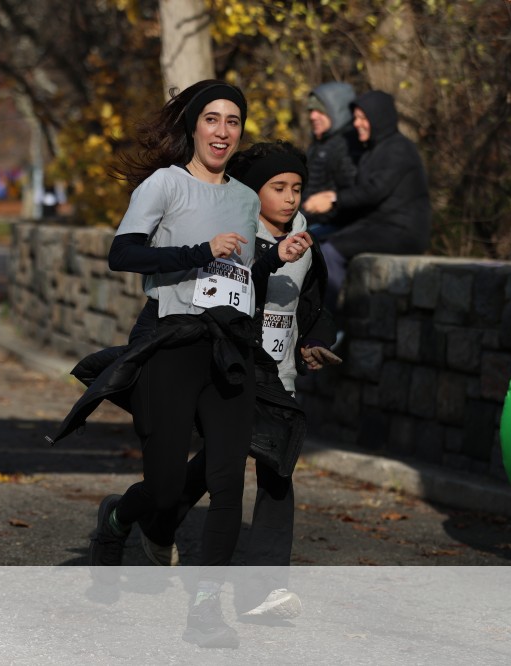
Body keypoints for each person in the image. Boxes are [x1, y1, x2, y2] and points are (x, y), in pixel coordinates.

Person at [47, 80, 312, 649]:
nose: (223, 131)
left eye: (233, 121)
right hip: (172, 343)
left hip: (229, 349)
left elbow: (236, 277)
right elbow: (123, 253)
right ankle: (117, 520)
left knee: (226, 482)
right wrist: (198, 251)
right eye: (212, 119)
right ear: (194, 126)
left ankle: (204, 610)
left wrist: (272, 261)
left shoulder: (245, 199)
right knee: (166, 492)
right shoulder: (165, 184)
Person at [138, 141, 341, 618]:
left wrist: (313, 340)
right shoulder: (233, 235)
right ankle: (149, 518)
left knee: (277, 471)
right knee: (217, 466)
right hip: (231, 369)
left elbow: (314, 303)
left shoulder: (306, 241)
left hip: (279, 375)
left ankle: (263, 590)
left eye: (296, 188)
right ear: (252, 192)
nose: (290, 198)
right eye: (278, 187)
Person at [305, 90, 432, 312]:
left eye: (363, 118)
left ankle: (328, 319)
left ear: (379, 119)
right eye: (355, 118)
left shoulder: (398, 148)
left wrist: (333, 199)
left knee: (330, 251)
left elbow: (374, 190)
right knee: (311, 241)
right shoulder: (372, 150)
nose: (356, 124)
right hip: (375, 226)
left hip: (401, 232)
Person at [299, 82, 359, 238]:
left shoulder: (348, 145)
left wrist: (331, 202)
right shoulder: (320, 143)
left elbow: (355, 195)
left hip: (332, 226)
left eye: (320, 110)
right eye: (311, 110)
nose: (313, 116)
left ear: (337, 111)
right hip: (309, 221)